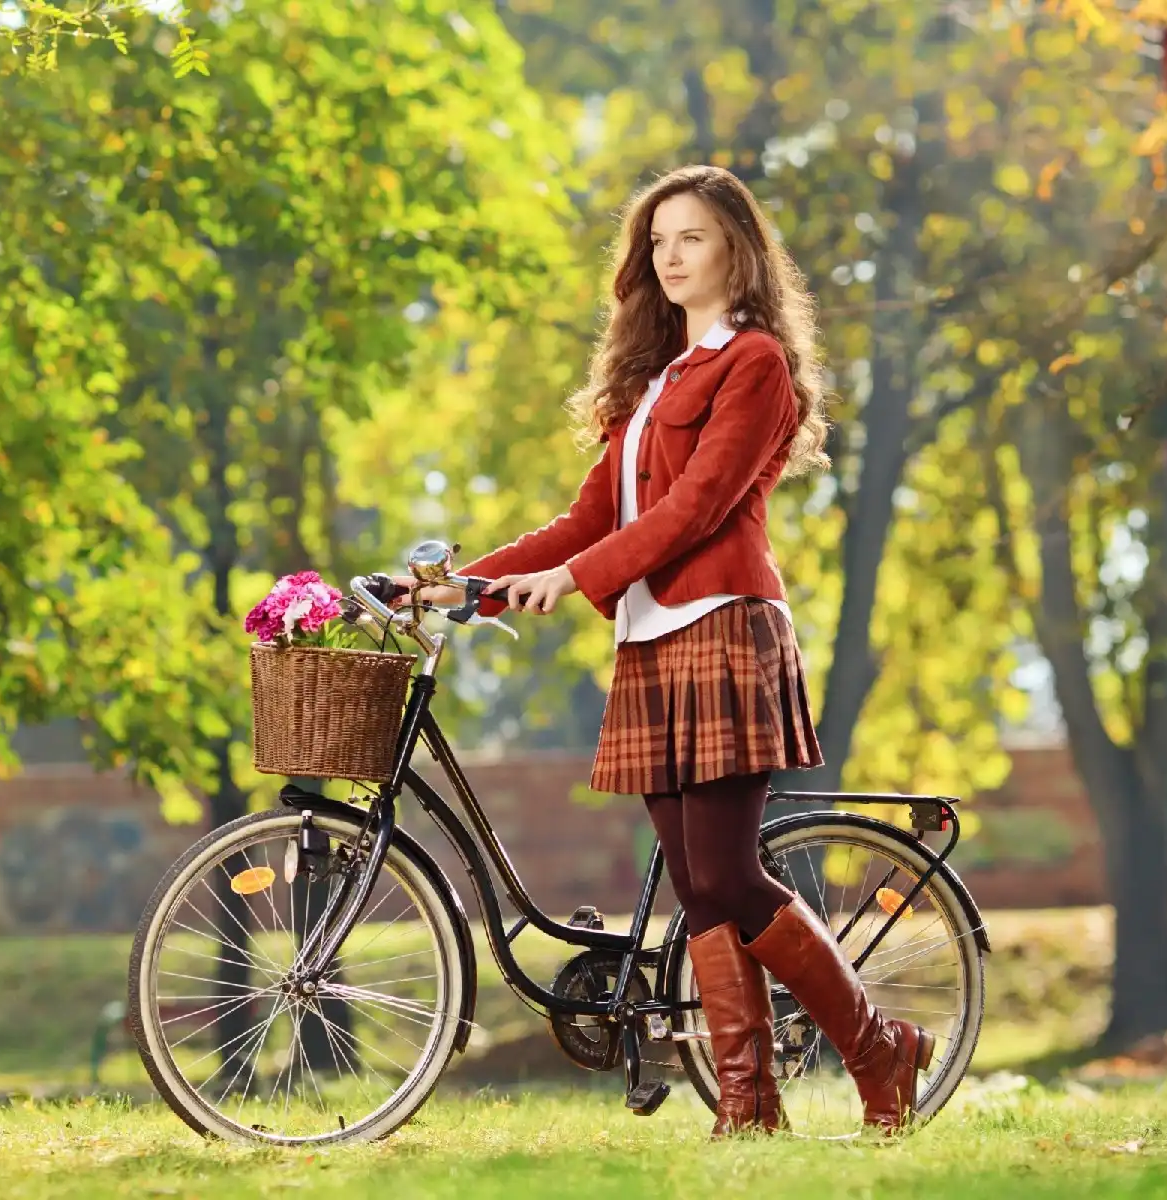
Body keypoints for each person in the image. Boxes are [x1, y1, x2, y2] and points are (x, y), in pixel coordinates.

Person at [404, 165, 932, 1137]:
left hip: (725, 626)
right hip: (650, 644)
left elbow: (699, 509)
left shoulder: (756, 364)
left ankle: (877, 1048)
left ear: (738, 248)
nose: (671, 256)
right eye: (657, 242)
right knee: (697, 889)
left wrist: (578, 579)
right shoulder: (657, 385)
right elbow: (590, 516)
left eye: (691, 237)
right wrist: (452, 582)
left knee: (729, 878)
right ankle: (749, 1107)